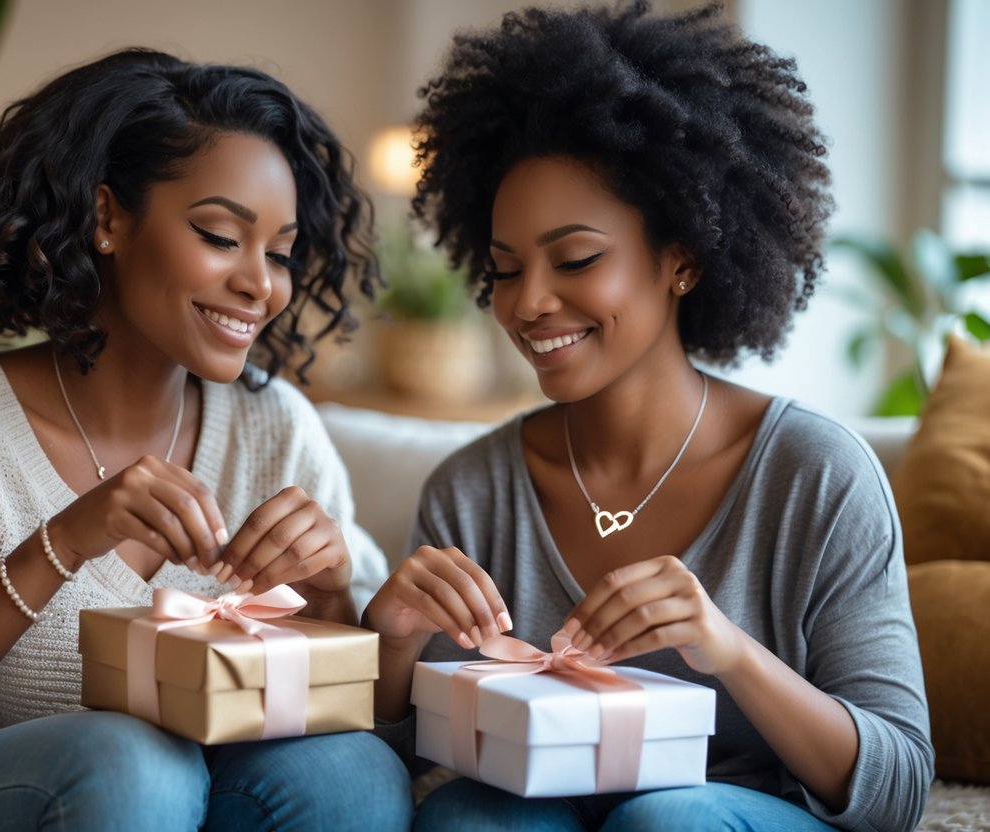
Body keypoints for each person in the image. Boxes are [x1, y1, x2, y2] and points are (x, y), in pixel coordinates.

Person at [0, 48, 411, 830]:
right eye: (220, 235)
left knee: (351, 772)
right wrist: (63, 542)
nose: (261, 284)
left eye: (279, 253)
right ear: (107, 219)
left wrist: (331, 594)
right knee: (133, 761)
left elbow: (371, 712)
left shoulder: (275, 429)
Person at [364, 4, 933, 831]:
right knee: (466, 818)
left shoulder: (817, 475)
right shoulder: (473, 491)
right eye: (505, 269)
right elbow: (406, 765)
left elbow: (897, 788)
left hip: (731, 817)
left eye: (577, 259)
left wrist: (728, 651)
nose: (528, 303)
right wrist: (389, 644)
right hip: (536, 807)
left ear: (682, 259)